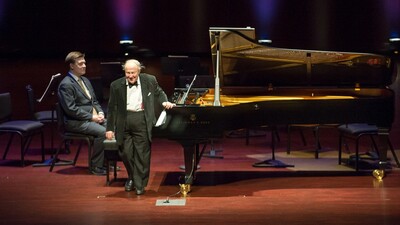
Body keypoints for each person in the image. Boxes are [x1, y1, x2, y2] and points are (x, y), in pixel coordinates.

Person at [105, 59, 175, 195]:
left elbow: (159, 92)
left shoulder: (149, 80)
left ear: (139, 71)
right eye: (127, 73)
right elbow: (112, 108)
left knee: (142, 154)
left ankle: (139, 184)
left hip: (142, 119)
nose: (130, 76)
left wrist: (165, 101)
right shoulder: (116, 85)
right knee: (125, 152)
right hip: (124, 121)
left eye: (133, 73)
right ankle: (132, 176)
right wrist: (109, 128)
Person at [58, 51, 107, 176]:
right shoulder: (66, 84)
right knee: (102, 132)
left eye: (84, 63)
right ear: (71, 66)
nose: (84, 65)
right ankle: (96, 167)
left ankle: (106, 163)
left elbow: (94, 101)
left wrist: (100, 113)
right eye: (80, 64)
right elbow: (71, 109)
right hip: (74, 122)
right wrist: (92, 117)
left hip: (88, 119)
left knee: (112, 127)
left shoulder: (85, 80)